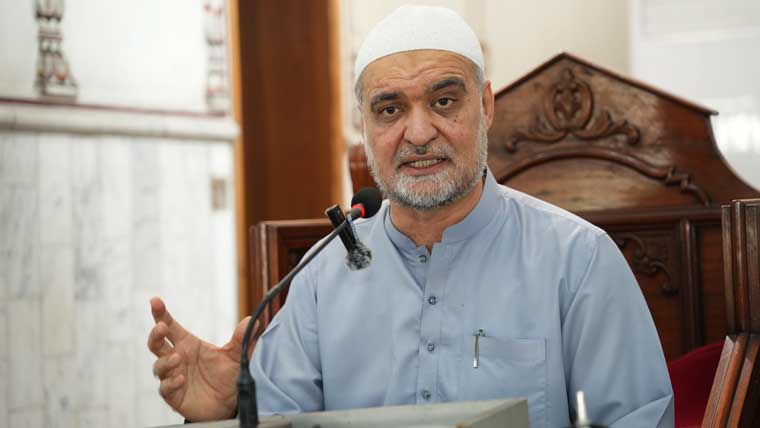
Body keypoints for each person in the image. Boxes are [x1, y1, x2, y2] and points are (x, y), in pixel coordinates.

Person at [148, 5, 674, 427]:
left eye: (444, 102)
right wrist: (230, 411)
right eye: (390, 110)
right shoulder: (322, 277)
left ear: (486, 106)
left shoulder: (578, 261)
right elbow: (279, 418)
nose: (418, 134)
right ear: (365, 126)